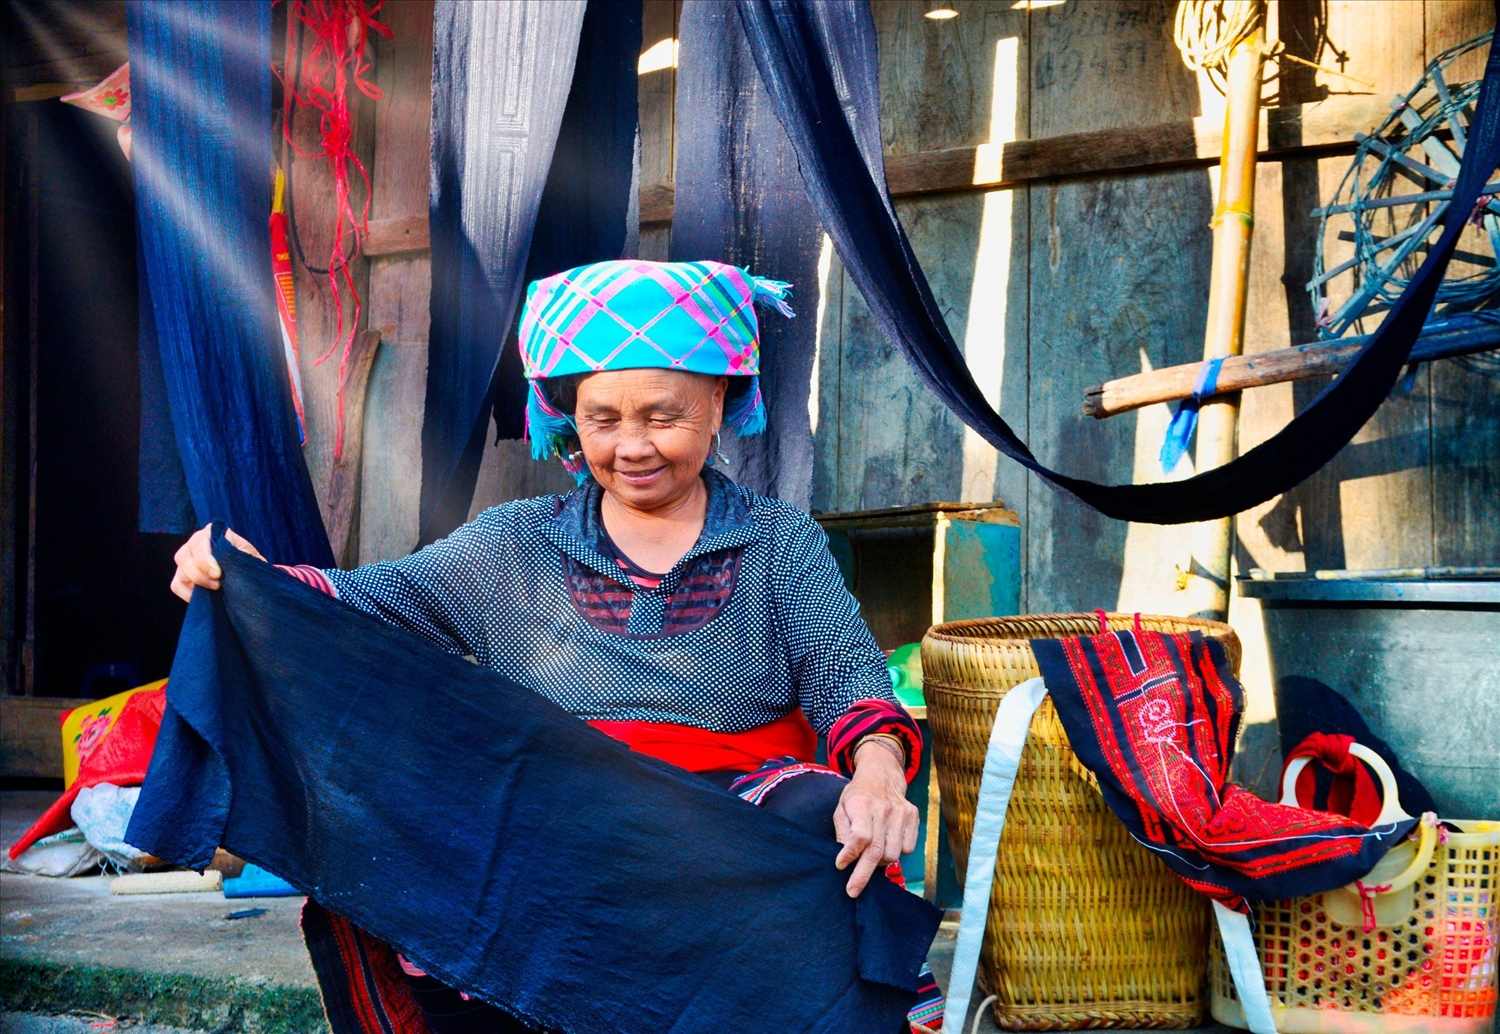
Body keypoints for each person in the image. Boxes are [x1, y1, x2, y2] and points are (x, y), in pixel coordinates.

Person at [171, 260, 933, 1034]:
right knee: (405, 837)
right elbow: (372, 602)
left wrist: (876, 776)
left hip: (726, 821)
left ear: (719, 402)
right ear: (571, 415)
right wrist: (245, 576)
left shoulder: (779, 544)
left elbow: (847, 676)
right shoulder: (514, 544)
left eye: (662, 417)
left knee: (822, 819)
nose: (631, 446)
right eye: (603, 419)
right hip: (558, 808)